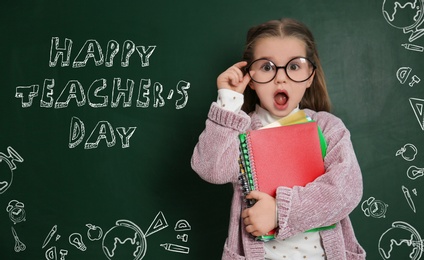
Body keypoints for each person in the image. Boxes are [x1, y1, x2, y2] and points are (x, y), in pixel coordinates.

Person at [191, 18, 366, 259]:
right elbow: (211, 169)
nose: (280, 78)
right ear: (250, 78)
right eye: (267, 67)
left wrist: (279, 212)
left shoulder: (327, 127)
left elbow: (346, 189)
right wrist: (227, 102)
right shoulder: (241, 131)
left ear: (310, 76)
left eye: (294, 66)